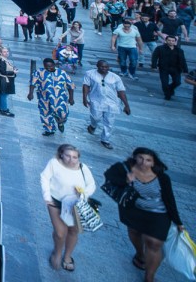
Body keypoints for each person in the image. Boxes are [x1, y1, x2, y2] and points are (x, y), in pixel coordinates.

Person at [105, 147, 184, 282]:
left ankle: (149, 277)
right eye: (140, 158)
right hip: (133, 211)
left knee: (153, 243)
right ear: (134, 157)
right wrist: (126, 180)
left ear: (153, 163)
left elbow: (170, 200)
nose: (143, 162)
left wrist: (178, 221)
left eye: (148, 160)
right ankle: (140, 254)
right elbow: (109, 177)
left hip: (159, 213)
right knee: (135, 233)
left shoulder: (162, 178)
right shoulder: (123, 168)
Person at [39, 144, 96, 272]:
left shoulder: (83, 168)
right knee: (60, 233)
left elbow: (91, 185)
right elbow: (44, 177)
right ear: (61, 155)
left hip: (75, 204)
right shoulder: (54, 163)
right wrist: (47, 196)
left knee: (73, 231)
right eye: (68, 156)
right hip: (56, 202)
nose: (71, 160)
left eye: (75, 157)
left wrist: (84, 194)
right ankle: (57, 253)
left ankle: (68, 256)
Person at [82, 60, 130, 149]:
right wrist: (84, 98)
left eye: (106, 67)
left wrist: (126, 105)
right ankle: (93, 125)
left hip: (112, 103)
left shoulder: (115, 77)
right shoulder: (90, 74)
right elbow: (86, 86)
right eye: (102, 67)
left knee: (109, 122)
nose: (104, 68)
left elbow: (121, 91)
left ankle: (105, 139)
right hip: (96, 100)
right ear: (97, 66)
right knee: (95, 117)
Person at [27, 58, 74, 136]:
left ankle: (60, 123)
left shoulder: (62, 73)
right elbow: (33, 83)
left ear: (54, 65)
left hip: (60, 98)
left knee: (63, 114)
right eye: (46, 67)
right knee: (45, 114)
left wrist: (71, 98)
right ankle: (49, 129)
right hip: (44, 98)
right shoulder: (39, 72)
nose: (48, 68)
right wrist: (30, 93)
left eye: (50, 66)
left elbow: (71, 86)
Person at [151, 34, 187, 100]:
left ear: (175, 42)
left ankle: (170, 89)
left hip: (176, 68)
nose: (171, 42)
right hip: (164, 68)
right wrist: (154, 65)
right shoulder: (160, 48)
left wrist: (185, 70)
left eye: (173, 41)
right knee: (164, 83)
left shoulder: (179, 50)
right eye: (169, 40)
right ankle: (167, 95)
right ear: (166, 41)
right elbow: (155, 57)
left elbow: (183, 60)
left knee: (177, 82)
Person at [0, 46, 18, 116]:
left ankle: (1, 107)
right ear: (0, 53)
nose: (6, 53)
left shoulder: (2, 58)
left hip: (3, 80)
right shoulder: (1, 60)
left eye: (7, 51)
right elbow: (3, 71)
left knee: (2, 94)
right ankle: (4, 109)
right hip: (4, 80)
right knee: (4, 94)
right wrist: (13, 72)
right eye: (4, 52)